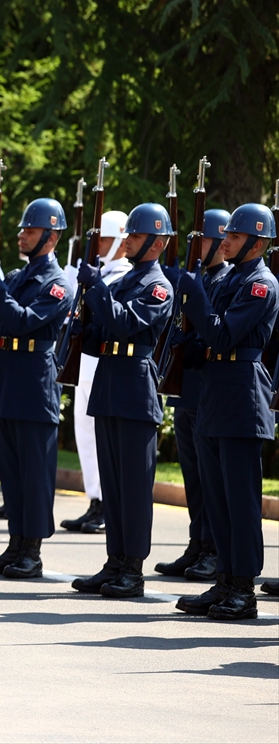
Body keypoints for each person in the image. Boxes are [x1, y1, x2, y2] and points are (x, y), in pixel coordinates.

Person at [175, 203, 278, 620]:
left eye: (233, 238)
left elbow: (222, 333)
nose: (225, 243)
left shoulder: (261, 284)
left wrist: (195, 295)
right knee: (216, 497)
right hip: (215, 396)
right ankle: (223, 580)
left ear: (257, 242)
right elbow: (204, 340)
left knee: (241, 501)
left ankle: (243, 589)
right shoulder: (232, 278)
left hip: (242, 399)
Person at [70, 202, 174, 598]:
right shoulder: (123, 283)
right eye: (127, 234)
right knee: (112, 485)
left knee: (133, 487)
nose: (126, 241)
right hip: (111, 385)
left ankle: (133, 568)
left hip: (135, 390)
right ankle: (114, 561)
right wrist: (84, 311)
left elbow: (126, 323)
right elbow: (100, 337)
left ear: (156, 242)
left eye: (134, 235)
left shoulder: (156, 286)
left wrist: (96, 291)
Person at [0, 199, 72, 578]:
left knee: (35, 472)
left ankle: (32, 550)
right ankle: (15, 543)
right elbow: (2, 326)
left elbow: (22, 321)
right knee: (11, 471)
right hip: (9, 378)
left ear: (51, 236)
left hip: (34, 382)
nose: (21, 235)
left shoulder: (58, 284)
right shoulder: (17, 276)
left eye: (30, 230)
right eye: (22, 229)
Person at [155, 209, 231, 579]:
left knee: (211, 476)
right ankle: (196, 544)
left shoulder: (225, 280)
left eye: (202, 239)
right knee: (192, 476)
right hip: (186, 388)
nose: (196, 247)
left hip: (209, 390)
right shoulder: (194, 278)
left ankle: (214, 549)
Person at [60, 210, 130, 533]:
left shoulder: (122, 277)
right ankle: (94, 501)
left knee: (103, 438)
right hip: (85, 363)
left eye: (103, 238)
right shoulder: (94, 274)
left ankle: (107, 505)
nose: (98, 244)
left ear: (119, 240)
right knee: (85, 437)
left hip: (105, 365)